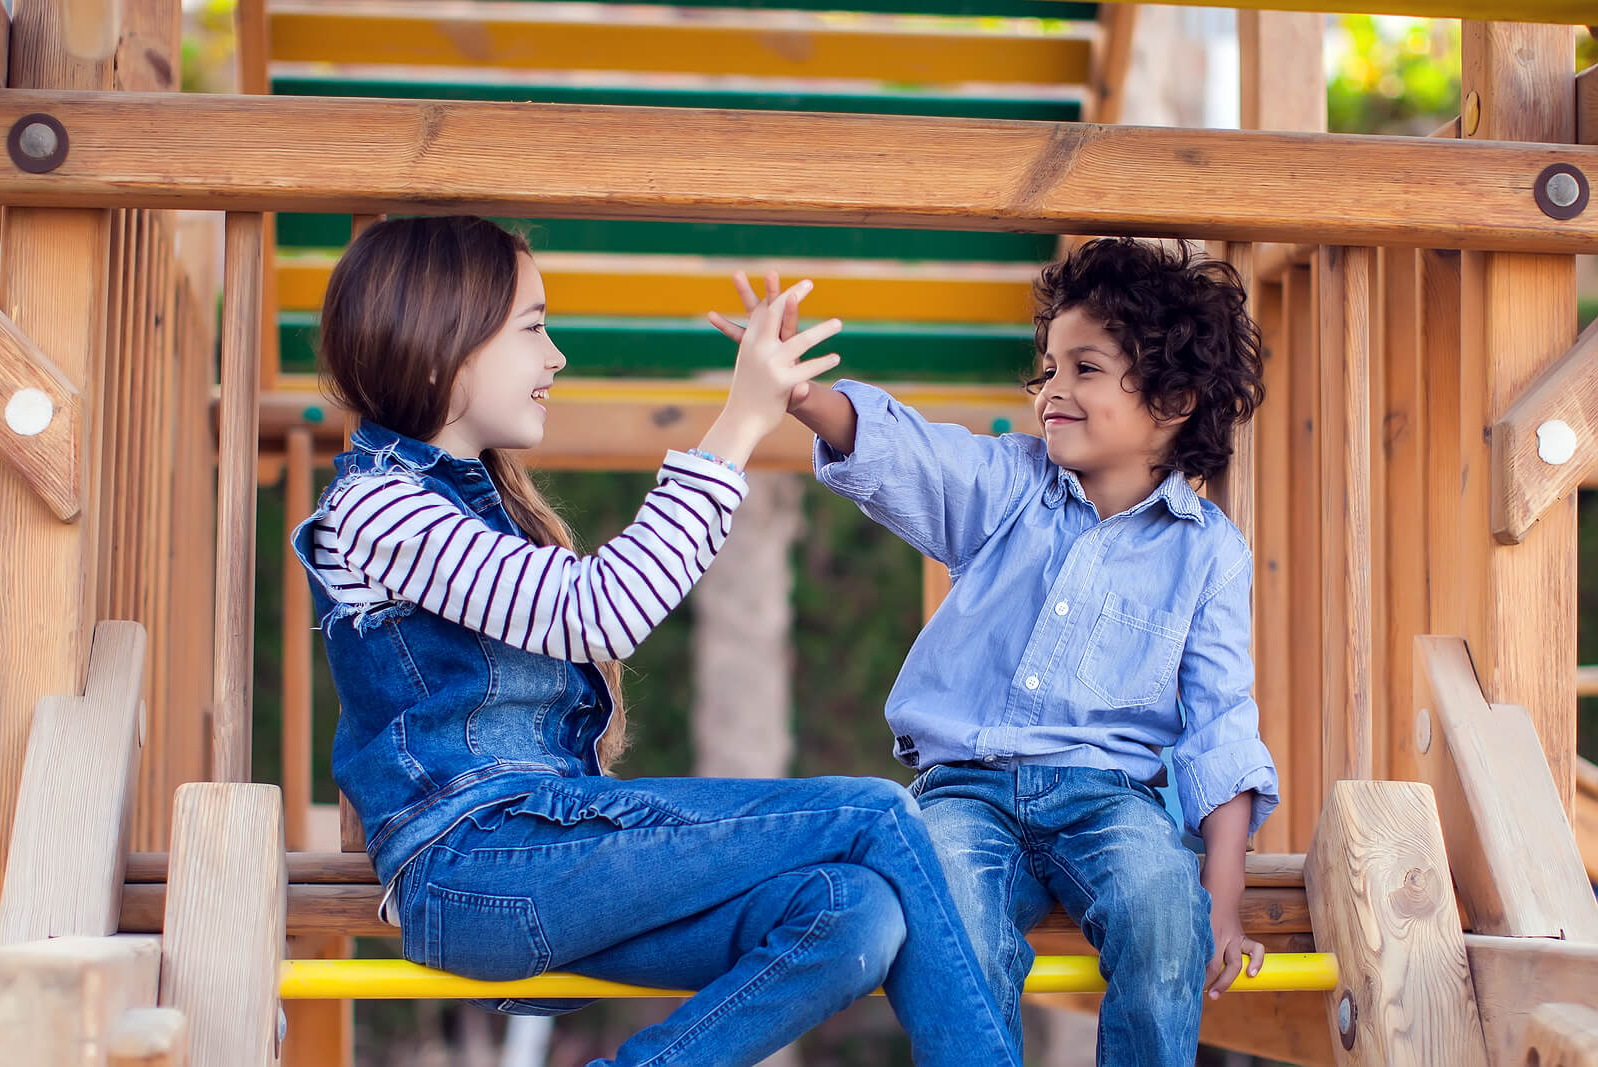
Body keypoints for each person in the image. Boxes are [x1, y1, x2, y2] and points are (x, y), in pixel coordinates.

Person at [291, 215, 1018, 1067]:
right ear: (437, 343)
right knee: (877, 812)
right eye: (533, 326)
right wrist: (740, 422)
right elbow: (600, 610)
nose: (555, 355)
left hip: (540, 855)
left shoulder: (469, 501)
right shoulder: (379, 507)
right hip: (480, 864)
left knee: (854, 909)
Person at [716, 239, 1279, 1065]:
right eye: (1048, 367)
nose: (1053, 390)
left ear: (1175, 398)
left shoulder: (1210, 556)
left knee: (1164, 907)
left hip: (1108, 798)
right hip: (964, 791)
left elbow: (1223, 729)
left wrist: (1220, 902)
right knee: (949, 920)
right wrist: (798, 393)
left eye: (1085, 368)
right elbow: (908, 452)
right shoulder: (1007, 485)